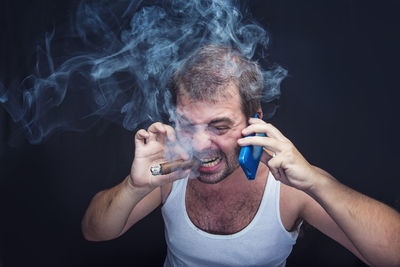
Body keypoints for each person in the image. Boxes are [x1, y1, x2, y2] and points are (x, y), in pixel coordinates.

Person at [82, 45, 400, 266]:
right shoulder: (170, 172)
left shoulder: (290, 186)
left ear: (255, 120)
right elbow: (95, 232)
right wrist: (135, 187)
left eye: (219, 126)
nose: (201, 143)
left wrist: (316, 182)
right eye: (187, 125)